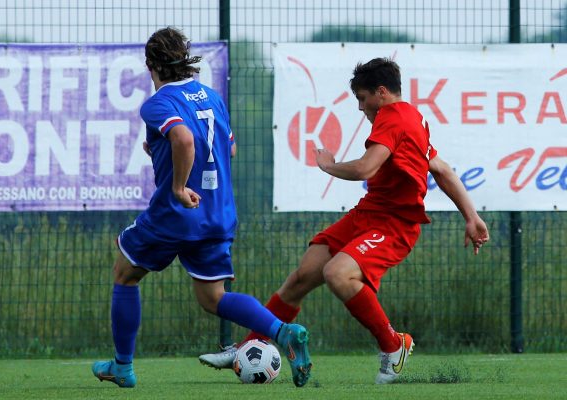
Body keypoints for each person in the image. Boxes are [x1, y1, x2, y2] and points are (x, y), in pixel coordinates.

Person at [199, 57, 490, 384]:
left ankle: (394, 346)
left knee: (338, 273)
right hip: (368, 214)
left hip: (394, 224)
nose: (360, 107)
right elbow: (442, 169)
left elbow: (366, 168)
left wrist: (328, 166)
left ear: (381, 93)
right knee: (301, 277)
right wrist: (472, 216)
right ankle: (251, 345)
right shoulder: (412, 117)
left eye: (362, 99)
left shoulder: (392, 118)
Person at [92, 27, 312, 388]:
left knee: (125, 274)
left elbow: (183, 138)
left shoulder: (158, 102)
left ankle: (122, 366)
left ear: (151, 65)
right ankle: (282, 331)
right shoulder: (210, 96)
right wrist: (164, 153)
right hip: (217, 214)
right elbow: (228, 149)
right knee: (213, 297)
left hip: (175, 215)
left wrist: (178, 186)